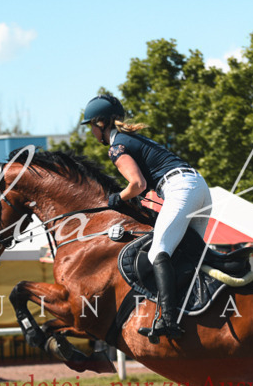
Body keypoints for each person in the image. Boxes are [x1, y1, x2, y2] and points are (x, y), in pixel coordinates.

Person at [81, 93, 212, 341]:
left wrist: (118, 198)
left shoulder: (116, 146)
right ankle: (196, 307)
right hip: (199, 187)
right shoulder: (133, 138)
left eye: (91, 127)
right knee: (188, 253)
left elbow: (137, 184)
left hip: (180, 188)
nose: (91, 133)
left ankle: (168, 319)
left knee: (157, 252)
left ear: (101, 123)